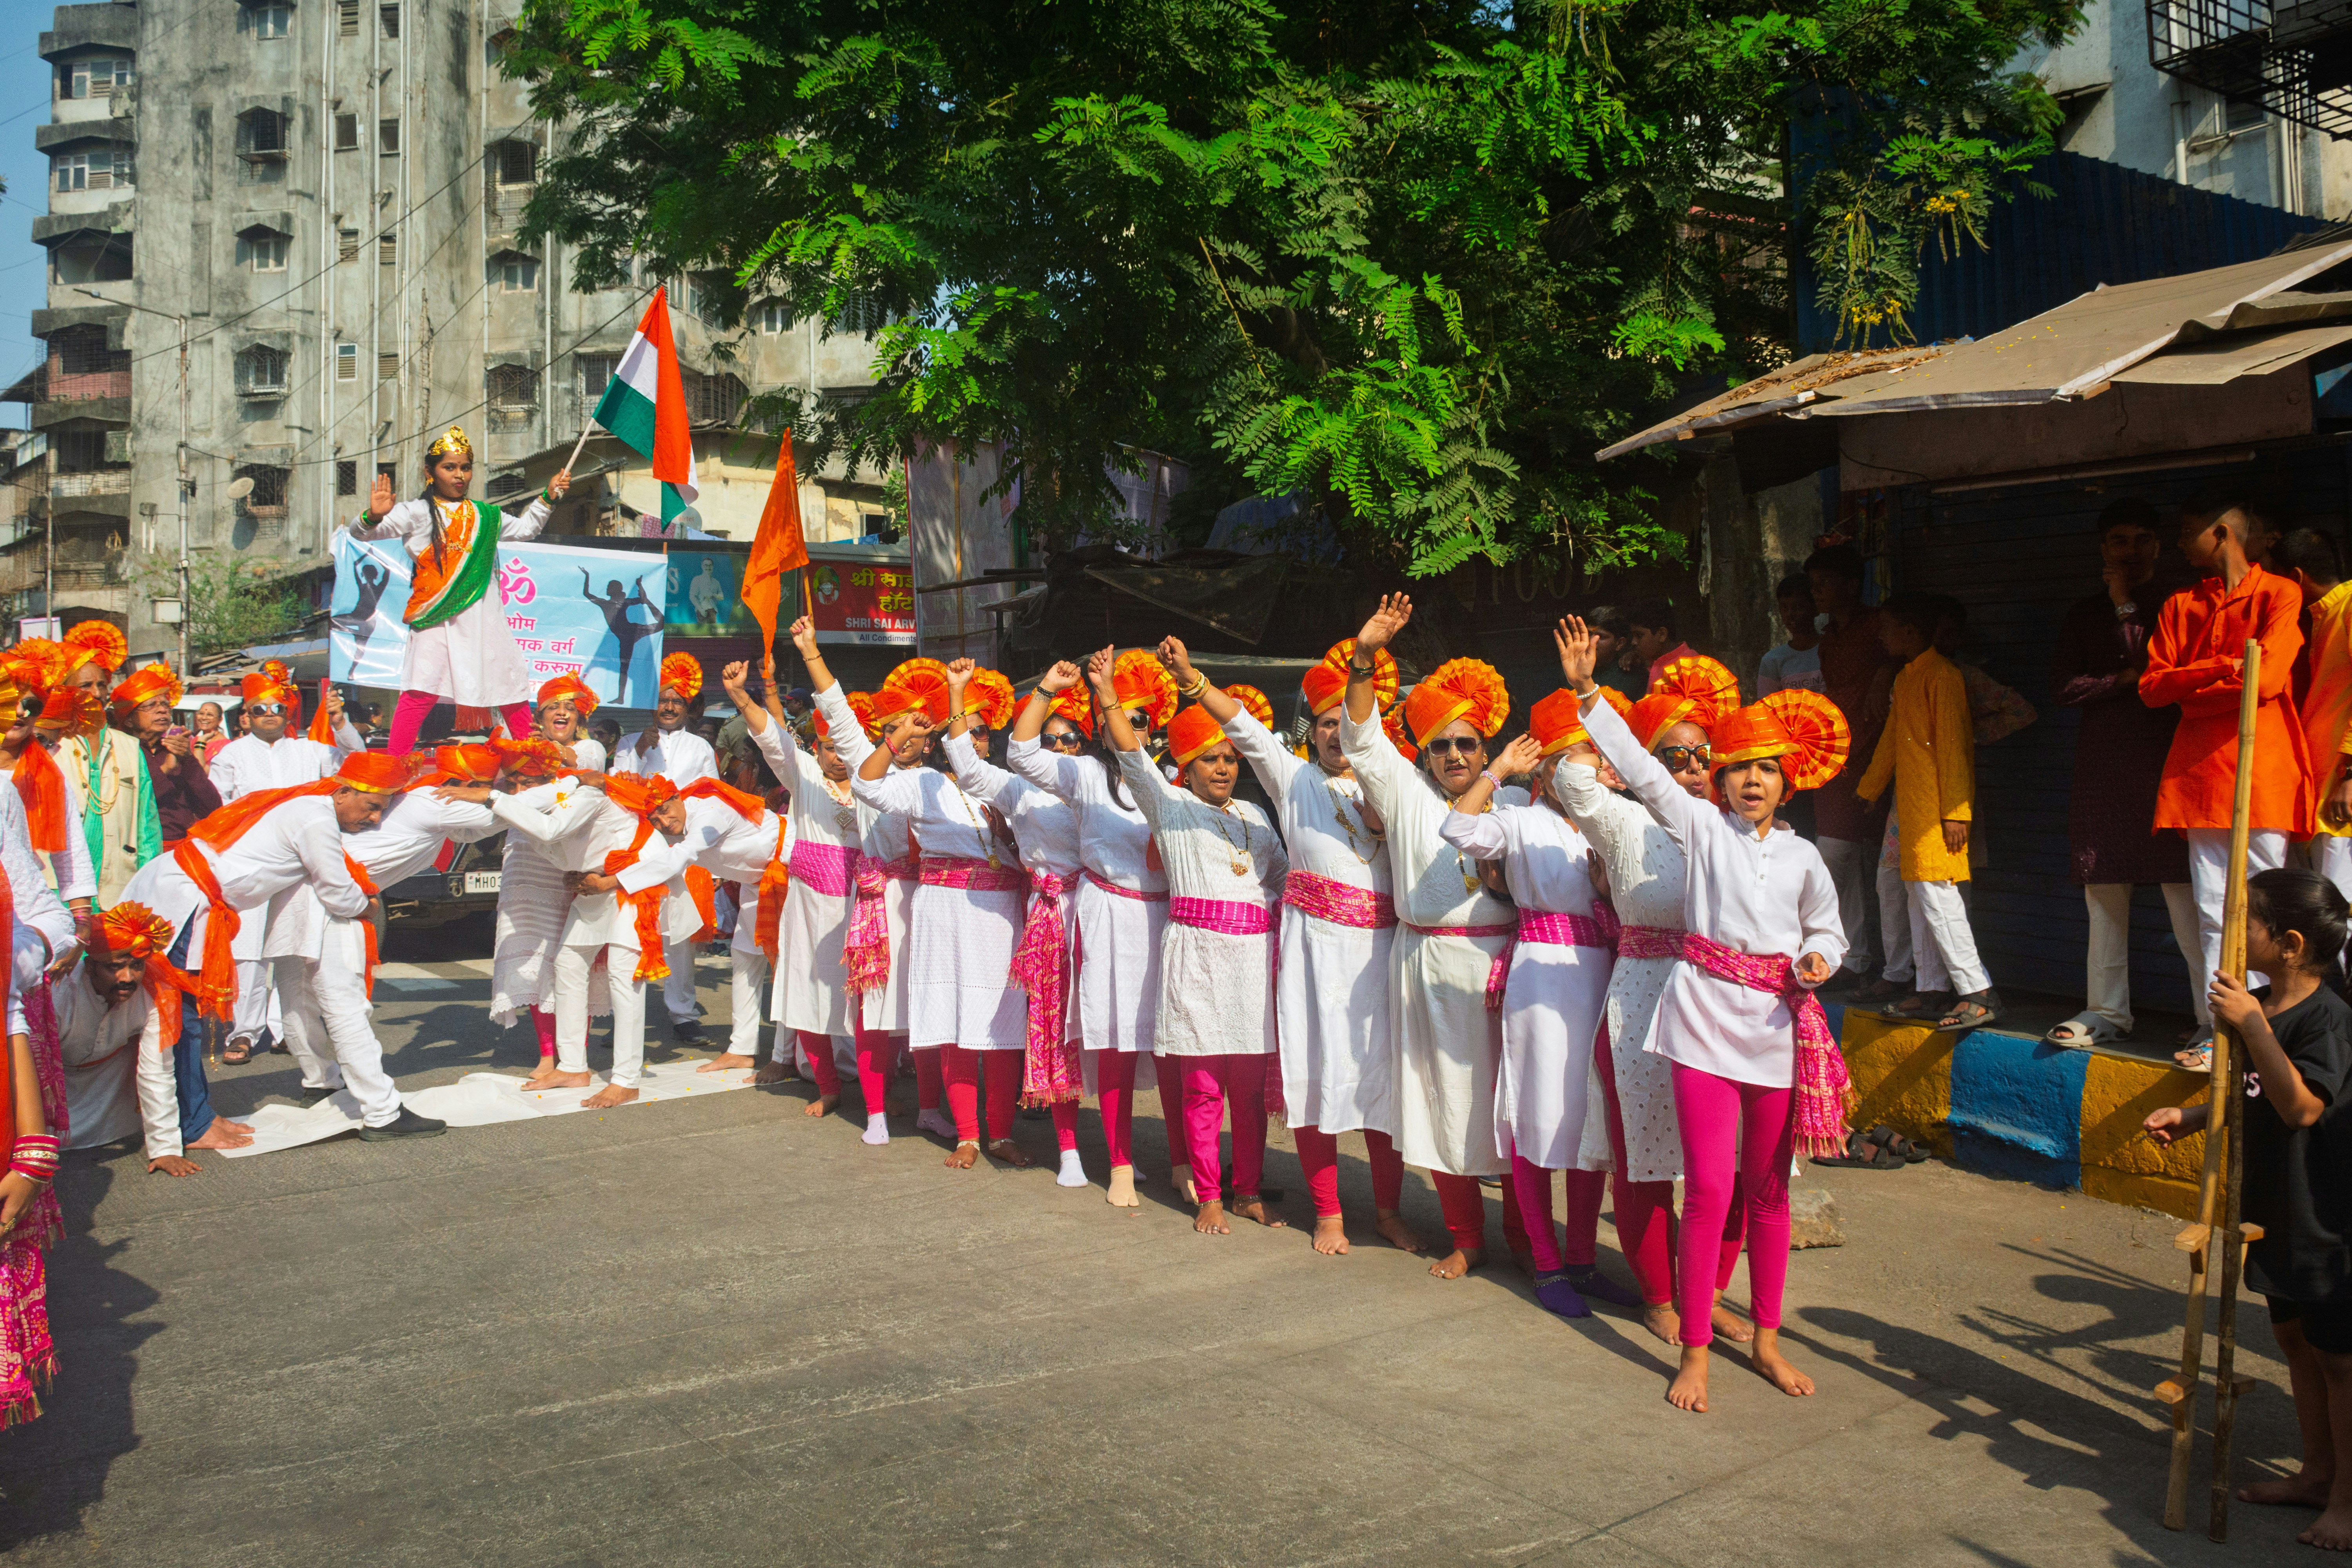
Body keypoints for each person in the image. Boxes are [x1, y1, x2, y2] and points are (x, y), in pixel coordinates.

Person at [1561, 615, 1848, 1413]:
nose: (1750, 781)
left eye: (1766, 770)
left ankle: (1764, 1336)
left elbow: (1828, 925)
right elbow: (1639, 771)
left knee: (1769, 1193)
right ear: (1717, 783)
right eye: (1737, 769)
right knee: (1709, 1188)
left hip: (1774, 1028)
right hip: (1697, 1024)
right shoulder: (1699, 828)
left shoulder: (1803, 856)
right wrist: (1589, 691)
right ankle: (1694, 1348)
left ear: (1788, 781)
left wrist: (1822, 957)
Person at [1162, 635, 1425, 1255]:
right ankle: (1329, 1212)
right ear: (1314, 731)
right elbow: (1246, 729)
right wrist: (1195, 681)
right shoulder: (1295, 778)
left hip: (1384, 954)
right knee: (1319, 1080)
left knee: (1382, 1085)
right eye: (1327, 723)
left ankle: (1387, 1212)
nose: (1338, 734)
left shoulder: (1395, 782)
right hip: (1317, 958)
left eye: (1348, 722)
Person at [2143, 869, 2352, 1550]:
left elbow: (2301, 1107)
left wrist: (2253, 1024)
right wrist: (2198, 1114)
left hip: (2327, 1211)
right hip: (2272, 1204)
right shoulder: (2256, 1005)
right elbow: (2253, 1092)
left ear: (2288, 944)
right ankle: (2316, 1472)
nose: (2236, 934)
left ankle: (2347, 1501)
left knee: (2340, 1360)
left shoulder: (2328, 1020)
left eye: (2249, 923)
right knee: (2295, 1341)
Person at [1555, 665, 1755, 1344]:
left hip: (1728, 1003)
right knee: (1644, 1157)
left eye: (1705, 756)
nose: (1695, 769)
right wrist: (1613, 729)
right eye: (1677, 756)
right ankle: (1661, 1295)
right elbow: (1570, 779)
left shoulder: (1738, 832)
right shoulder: (1624, 820)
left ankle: (1711, 1290)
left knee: (1732, 1161)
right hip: (1642, 1000)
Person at [1340, 595, 1521, 1279]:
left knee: (1514, 1104)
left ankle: (1530, 1239)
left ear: (1485, 748)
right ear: (1424, 751)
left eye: (1466, 743)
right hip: (1427, 965)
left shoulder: (1519, 802)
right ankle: (1467, 1237)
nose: (1453, 754)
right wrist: (1365, 657)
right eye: (1440, 744)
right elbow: (1359, 736)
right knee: (1446, 1103)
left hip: (1508, 966)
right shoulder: (1406, 794)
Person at [1087, 647, 1289, 1234]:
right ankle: (1208, 1195)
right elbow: (1131, 757)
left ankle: (1247, 1190)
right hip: (1196, 960)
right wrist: (1107, 693)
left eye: (1229, 758)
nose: (1223, 768)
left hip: (1251, 964)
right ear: (1187, 767)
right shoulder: (1170, 807)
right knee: (1202, 1089)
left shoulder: (1254, 815)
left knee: (1248, 1095)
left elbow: (1276, 878)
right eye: (1209, 759)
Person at [117, 750, 411, 1151]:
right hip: (186, 898)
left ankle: (193, 1115)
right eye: (373, 806)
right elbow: (339, 893)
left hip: (183, 890)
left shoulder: (309, 807)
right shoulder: (316, 817)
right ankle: (192, 1123)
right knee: (177, 1017)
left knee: (181, 1015)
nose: (375, 819)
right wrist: (369, 904)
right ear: (343, 792)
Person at [1438, 697, 1626, 1317]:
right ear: (1544, 773)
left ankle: (1582, 1259)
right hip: (1542, 980)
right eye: (1570, 763)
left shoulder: (1610, 822)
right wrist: (1497, 772)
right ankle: (1546, 1264)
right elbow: (1457, 830)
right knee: (1537, 1115)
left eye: (1592, 763)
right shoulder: (1519, 818)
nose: (1584, 775)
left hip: (1602, 974)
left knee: (1589, 1118)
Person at [1006, 651, 1186, 1205]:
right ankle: (1122, 1163)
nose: (1124, 726)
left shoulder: (1176, 778)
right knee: (1114, 1043)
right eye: (1114, 716)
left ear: (1152, 728)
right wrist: (1045, 689)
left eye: (1137, 719)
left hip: (1170, 918)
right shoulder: (1084, 773)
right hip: (1108, 913)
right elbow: (1020, 753)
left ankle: (1182, 1162)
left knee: (1177, 1044)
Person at [2143, 488, 2315, 1067]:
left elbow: (2266, 681)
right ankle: (2216, 1027)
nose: (2179, 542)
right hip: (2198, 772)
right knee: (2212, 906)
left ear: (2221, 533)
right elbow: (2153, 687)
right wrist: (2223, 668)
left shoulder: (2280, 593)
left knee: (2271, 907)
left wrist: (2195, 687)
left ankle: (2275, 1025)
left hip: (2261, 767)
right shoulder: (2179, 605)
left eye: (2188, 529)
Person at [838, 658, 1031, 1169]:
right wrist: (897, 736)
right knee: (955, 1023)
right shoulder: (925, 782)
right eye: (964, 727)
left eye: (984, 731)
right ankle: (968, 1135)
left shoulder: (1008, 788)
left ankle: (1001, 1134)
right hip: (944, 913)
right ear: (948, 735)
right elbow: (866, 787)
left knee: (1003, 1026)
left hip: (1001, 914)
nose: (975, 739)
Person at [266, 746, 506, 1139]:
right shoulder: (433, 801)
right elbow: (501, 815)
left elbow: (475, 829)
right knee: (345, 1006)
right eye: (484, 786)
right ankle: (381, 1111)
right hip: (331, 899)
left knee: (297, 998)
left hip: (292, 897)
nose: (377, 815)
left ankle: (320, 1081)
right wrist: (565, 787)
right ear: (464, 785)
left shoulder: (414, 800)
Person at [2046, 499, 2200, 1051]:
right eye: (2118, 541)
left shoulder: (2182, 605)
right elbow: (2064, 689)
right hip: (2105, 769)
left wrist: (2126, 611)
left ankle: (2212, 1020)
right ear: (2102, 549)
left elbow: (2157, 675)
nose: (2129, 551)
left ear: (2159, 546)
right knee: (2104, 891)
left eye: (2141, 539)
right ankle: (2106, 1011)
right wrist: (2120, 679)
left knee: (2188, 894)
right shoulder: (2083, 614)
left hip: (2169, 766)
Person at [937, 670, 1088, 1187]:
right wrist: (957, 694)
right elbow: (965, 764)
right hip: (1039, 917)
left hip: (1102, 915)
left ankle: (1121, 1152)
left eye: (1072, 738)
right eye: (1049, 739)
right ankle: (981, 1134)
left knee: (1102, 1036)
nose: (1060, 747)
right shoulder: (1017, 786)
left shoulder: (1099, 784)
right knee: (1023, 1024)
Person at [344, 426, 572, 753]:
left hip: (483, 616)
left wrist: (549, 496)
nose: (459, 475)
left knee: (508, 690)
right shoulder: (417, 512)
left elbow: (526, 529)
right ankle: (393, 765)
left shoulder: (486, 515)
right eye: (449, 467)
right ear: (430, 472)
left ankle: (533, 761)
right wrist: (371, 516)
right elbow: (362, 534)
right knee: (420, 691)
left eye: (465, 467)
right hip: (436, 617)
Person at [741, 622, 887, 1116]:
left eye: (845, 749)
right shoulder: (804, 776)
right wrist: (742, 697)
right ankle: (827, 1087)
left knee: (870, 1001)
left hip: (865, 905)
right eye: (829, 749)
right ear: (817, 749)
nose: (838, 757)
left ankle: (879, 1097)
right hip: (809, 905)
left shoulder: (875, 782)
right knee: (806, 994)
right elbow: (772, 740)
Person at [204, 662, 362, 1067]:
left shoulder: (312, 750)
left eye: (277, 706)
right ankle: (243, 1031)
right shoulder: (232, 756)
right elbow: (216, 807)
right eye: (260, 708)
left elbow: (358, 764)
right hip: (250, 861)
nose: (270, 713)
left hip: (303, 865)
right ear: (247, 715)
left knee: (297, 949)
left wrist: (340, 722)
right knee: (250, 950)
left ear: (289, 710)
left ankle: (284, 1030)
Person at [1854, 593, 1999, 1033]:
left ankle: (1977, 991)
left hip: (1938, 809)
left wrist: (1958, 813)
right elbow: (1893, 739)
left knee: (1937, 896)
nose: (1881, 635)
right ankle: (1933, 987)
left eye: (1888, 628)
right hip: (1914, 807)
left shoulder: (1943, 676)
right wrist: (1870, 787)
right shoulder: (1907, 678)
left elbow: (1955, 749)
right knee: (1918, 896)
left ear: (1911, 633)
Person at [548, 773, 702, 1108]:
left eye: (664, 810)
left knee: (624, 973)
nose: (659, 820)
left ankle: (627, 1080)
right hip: (600, 891)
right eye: (655, 814)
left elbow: (666, 865)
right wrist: (581, 875)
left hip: (641, 896)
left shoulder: (648, 826)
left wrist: (606, 882)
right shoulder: (604, 807)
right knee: (568, 962)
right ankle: (573, 1066)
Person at [474, 743, 613, 1087]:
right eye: (551, 708)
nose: (560, 714)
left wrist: (556, 755)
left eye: (566, 707)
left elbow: (591, 773)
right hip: (523, 867)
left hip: (562, 867)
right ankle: (548, 1054)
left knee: (572, 964)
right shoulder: (520, 746)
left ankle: (574, 1055)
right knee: (535, 964)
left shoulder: (587, 750)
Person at [613, 653, 720, 1040]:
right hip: (639, 849)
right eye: (663, 699)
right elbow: (615, 790)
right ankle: (625, 1018)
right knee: (630, 933)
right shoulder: (629, 742)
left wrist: (715, 864)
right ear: (652, 704)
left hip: (683, 850)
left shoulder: (700, 748)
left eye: (677, 700)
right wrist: (639, 750)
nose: (670, 707)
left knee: (679, 938)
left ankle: (683, 1014)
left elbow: (713, 802)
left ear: (687, 706)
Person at [56, 904, 196, 1178]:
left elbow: (157, 1072)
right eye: (115, 968)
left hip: (109, 1102)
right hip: (52, 1092)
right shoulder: (60, 992)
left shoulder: (154, 995)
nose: (128, 978)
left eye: (137, 966)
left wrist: (165, 1147)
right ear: (90, 967)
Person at [47, 622, 158, 906]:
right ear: (64, 690)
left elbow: (147, 826)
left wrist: (148, 883)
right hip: (57, 892)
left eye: (102, 685)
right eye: (86, 685)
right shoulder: (48, 746)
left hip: (118, 890)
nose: (97, 693)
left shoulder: (129, 747)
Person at [2288, 528, 2352, 909]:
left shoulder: (2349, 606)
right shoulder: (2325, 615)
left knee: (2341, 917)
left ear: (2296, 578)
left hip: (2343, 792)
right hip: (2328, 791)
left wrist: (2350, 777)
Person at [115, 664, 221, 843]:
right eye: (151, 706)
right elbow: (127, 806)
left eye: (166, 705)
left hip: (180, 848)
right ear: (129, 720)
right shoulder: (121, 751)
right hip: (135, 848)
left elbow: (211, 808)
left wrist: (187, 759)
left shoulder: (173, 750)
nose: (162, 710)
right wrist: (165, 769)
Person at [582, 571, 661, 703]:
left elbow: (643, 599)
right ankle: (621, 698)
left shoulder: (623, 602)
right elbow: (587, 594)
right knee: (624, 668)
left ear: (616, 590)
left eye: (610, 587)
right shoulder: (606, 604)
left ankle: (621, 697)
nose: (607, 589)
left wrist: (640, 585)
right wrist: (587, 576)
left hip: (632, 632)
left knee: (624, 667)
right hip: (626, 636)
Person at [1756, 573, 1823, 697]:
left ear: (1815, 608)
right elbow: (1766, 709)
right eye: (1785, 608)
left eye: (1798, 607)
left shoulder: (1833, 649)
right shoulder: (1773, 660)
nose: (1790, 615)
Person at [534, 672, 607, 772]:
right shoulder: (531, 748)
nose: (562, 712)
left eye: (570, 708)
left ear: (579, 722)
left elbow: (591, 768)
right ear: (540, 719)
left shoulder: (591, 747)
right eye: (554, 707)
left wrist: (550, 747)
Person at [1626, 597, 1696, 690]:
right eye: (1633, 636)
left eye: (1639, 636)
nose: (1634, 642)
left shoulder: (1690, 666)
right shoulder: (1644, 660)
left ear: (1662, 634)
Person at [194, 702, 229, 769]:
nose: (204, 718)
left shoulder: (226, 746)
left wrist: (201, 742)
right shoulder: (194, 740)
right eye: (201, 714)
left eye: (210, 715)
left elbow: (200, 772)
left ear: (220, 720)